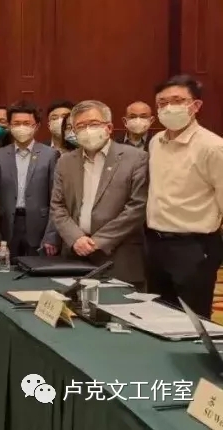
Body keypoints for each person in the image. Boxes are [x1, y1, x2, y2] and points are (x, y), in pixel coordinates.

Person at [146, 75, 223, 317]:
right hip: (155, 244)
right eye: (162, 103)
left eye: (177, 101)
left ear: (195, 105)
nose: (169, 107)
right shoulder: (156, 142)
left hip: (194, 247)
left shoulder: (213, 147)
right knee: (156, 316)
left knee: (192, 320)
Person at [50, 100, 149, 288]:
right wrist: (76, 238)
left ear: (109, 127)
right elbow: (57, 206)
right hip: (75, 255)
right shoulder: (65, 162)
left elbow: (137, 208)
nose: (87, 130)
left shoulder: (136, 158)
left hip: (119, 257)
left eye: (93, 124)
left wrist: (98, 241)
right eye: (80, 126)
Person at [0, 101, 60, 257]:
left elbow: (57, 198)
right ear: (9, 126)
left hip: (39, 226)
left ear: (36, 126)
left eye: (26, 123)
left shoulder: (50, 155)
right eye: (16, 123)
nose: (21, 127)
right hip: (7, 226)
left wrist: (51, 235)